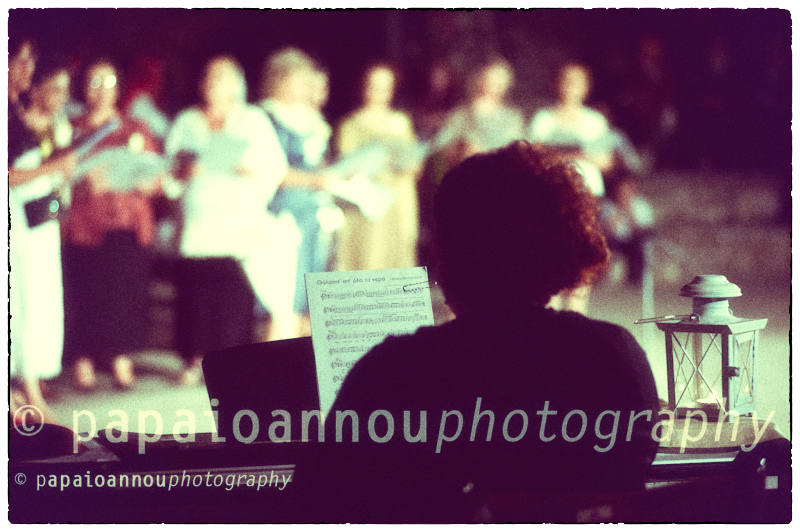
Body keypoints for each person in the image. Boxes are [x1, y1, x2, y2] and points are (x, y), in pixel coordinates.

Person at [307, 142, 659, 523]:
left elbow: (317, 504)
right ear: (562, 249)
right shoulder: (613, 357)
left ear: (450, 255)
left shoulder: (393, 371)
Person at [165, 56, 300, 384]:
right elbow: (169, 168)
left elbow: (274, 166)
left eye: (222, 77)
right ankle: (194, 360)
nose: (215, 83)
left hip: (238, 222)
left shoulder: (252, 120)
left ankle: (231, 363)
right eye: (210, 76)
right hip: (198, 223)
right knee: (196, 293)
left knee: (232, 293)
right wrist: (185, 170)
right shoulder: (188, 121)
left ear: (237, 84)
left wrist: (245, 166)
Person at [60, 60, 162, 391]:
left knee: (123, 291)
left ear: (118, 87)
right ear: (82, 87)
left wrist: (149, 183)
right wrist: (80, 185)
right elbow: (54, 174)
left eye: (108, 82)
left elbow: (156, 172)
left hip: (127, 219)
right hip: (84, 222)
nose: (101, 90)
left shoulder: (134, 128)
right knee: (84, 289)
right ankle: (83, 361)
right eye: (94, 82)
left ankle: (121, 359)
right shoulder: (70, 129)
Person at [9, 48, 77, 423]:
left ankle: (30, 383)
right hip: (17, 221)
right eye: (19, 61)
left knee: (39, 299)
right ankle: (27, 387)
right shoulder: (12, 115)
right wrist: (51, 167)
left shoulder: (40, 120)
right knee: (21, 300)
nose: (25, 69)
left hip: (40, 220)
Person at [259, 48, 339, 326]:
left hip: (314, 214)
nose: (305, 87)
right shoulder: (266, 118)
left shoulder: (313, 120)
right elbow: (272, 170)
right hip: (284, 214)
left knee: (311, 291)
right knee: (284, 294)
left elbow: (319, 162)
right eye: (299, 80)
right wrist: (314, 180)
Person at [529, 63, 613, 313]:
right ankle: (550, 319)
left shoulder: (595, 121)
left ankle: (576, 318)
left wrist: (576, 152)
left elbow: (606, 160)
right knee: (551, 260)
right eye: (566, 80)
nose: (571, 87)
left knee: (581, 262)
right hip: (551, 194)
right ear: (556, 83)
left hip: (586, 193)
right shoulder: (543, 118)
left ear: (586, 87)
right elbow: (533, 156)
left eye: (577, 82)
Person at [335, 64, 420, 271]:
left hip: (399, 200)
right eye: (373, 86)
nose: (379, 92)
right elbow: (346, 167)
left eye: (385, 87)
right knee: (369, 255)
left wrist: (410, 163)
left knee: (398, 254)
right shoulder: (350, 124)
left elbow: (415, 164)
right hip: (368, 202)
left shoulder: (401, 122)